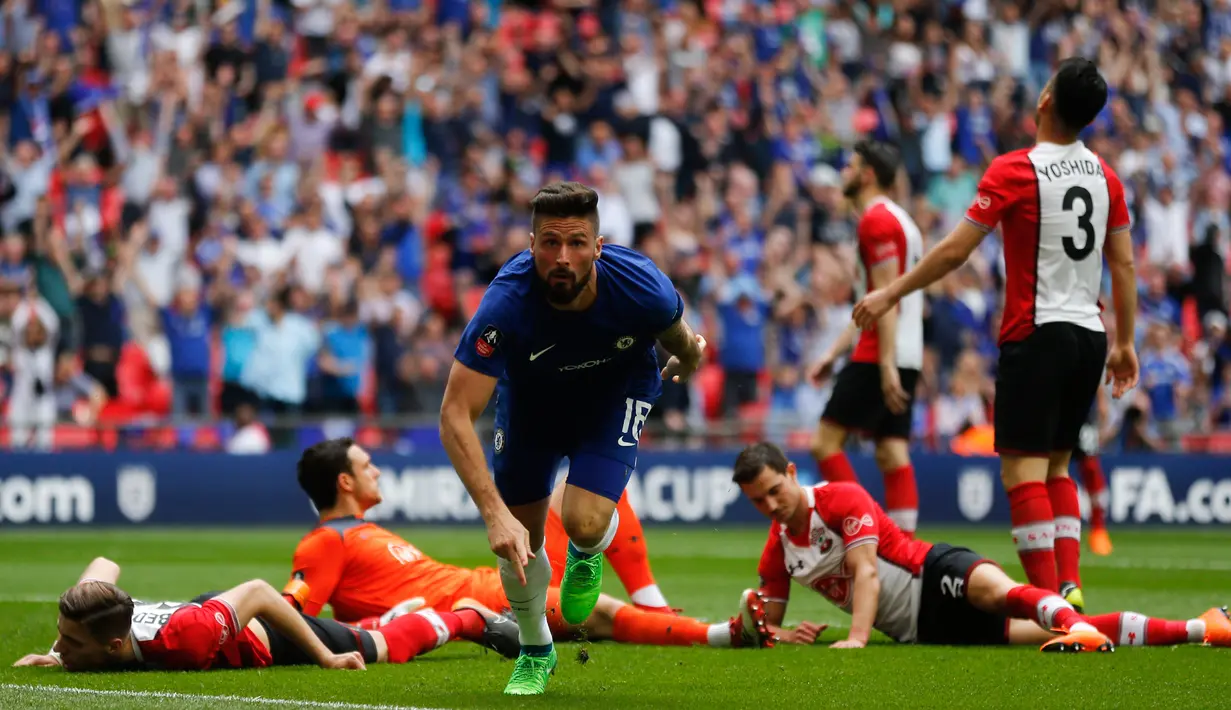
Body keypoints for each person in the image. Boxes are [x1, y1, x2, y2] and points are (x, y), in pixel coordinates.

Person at [853, 57, 1140, 610]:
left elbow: (958, 251)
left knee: (1022, 472)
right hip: (1089, 334)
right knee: (1058, 467)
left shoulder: (1015, 169)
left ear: (1045, 101)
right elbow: (1123, 266)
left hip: (1037, 335)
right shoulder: (1106, 178)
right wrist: (1125, 344)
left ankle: (1046, 605)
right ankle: (1068, 587)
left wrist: (892, 291)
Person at [439, 181, 707, 694]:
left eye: (578, 243)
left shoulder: (640, 285)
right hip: (532, 408)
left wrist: (690, 357)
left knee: (584, 523)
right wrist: (494, 515)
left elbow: (681, 340)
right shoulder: (505, 303)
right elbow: (454, 413)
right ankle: (536, 649)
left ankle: (589, 551)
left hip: (614, 397)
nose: (563, 257)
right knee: (519, 545)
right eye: (550, 243)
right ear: (531, 243)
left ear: (598, 248)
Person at [284, 439, 774, 658]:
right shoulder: (325, 542)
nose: (378, 471)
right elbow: (289, 616)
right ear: (345, 481)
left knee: (593, 490)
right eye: (367, 466)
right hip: (492, 601)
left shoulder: (360, 531)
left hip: (500, 573)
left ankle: (653, 603)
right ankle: (727, 634)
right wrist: (373, 628)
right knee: (599, 611)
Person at [731, 442, 1231, 652]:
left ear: (792, 474)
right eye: (759, 500)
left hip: (930, 569)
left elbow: (866, 572)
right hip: (923, 631)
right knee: (1034, 634)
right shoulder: (777, 551)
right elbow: (766, 619)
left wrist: (857, 639)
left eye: (776, 489)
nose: (771, 504)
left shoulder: (839, 498)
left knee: (999, 592)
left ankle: (1075, 624)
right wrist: (785, 632)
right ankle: (1202, 627)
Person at [11, 555, 520, 673]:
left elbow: (256, 590)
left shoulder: (183, 641)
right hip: (218, 615)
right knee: (367, 633)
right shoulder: (99, 616)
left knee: (383, 650)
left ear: (113, 645)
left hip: (261, 634)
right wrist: (60, 649)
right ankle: (385, 618)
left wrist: (324, 657)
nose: (62, 647)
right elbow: (104, 564)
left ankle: (468, 618)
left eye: (72, 643)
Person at [807, 140, 923, 536]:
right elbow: (870, 302)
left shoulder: (876, 223)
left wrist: (885, 363)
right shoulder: (903, 221)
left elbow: (884, 299)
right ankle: (904, 547)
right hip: (907, 350)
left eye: (851, 166)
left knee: (825, 443)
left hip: (879, 352)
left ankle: (870, 533)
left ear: (868, 174)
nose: (845, 173)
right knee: (892, 452)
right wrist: (833, 353)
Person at [1072, 385, 1113, 556]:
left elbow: (1092, 361)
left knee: (1091, 468)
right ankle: (1050, 529)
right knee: (1049, 469)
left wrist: (1102, 401)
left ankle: (1098, 529)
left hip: (1082, 413)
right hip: (1051, 407)